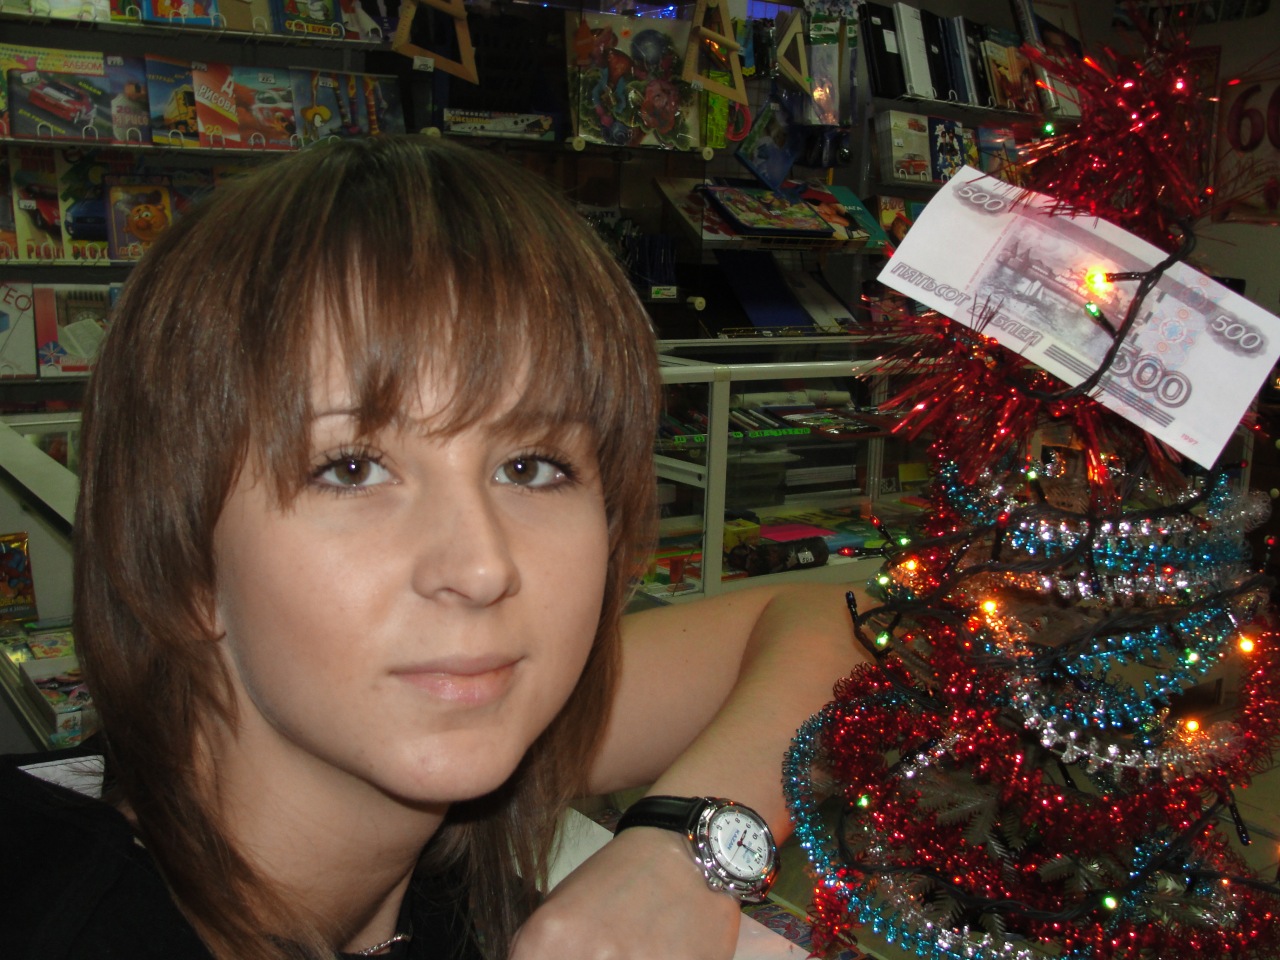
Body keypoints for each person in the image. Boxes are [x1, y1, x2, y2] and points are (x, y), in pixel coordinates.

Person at [0, 134, 867, 960]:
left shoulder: (465, 724)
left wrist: (682, 853)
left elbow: (844, 622)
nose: (482, 566)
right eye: (351, 470)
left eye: (530, 467)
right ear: (183, 559)